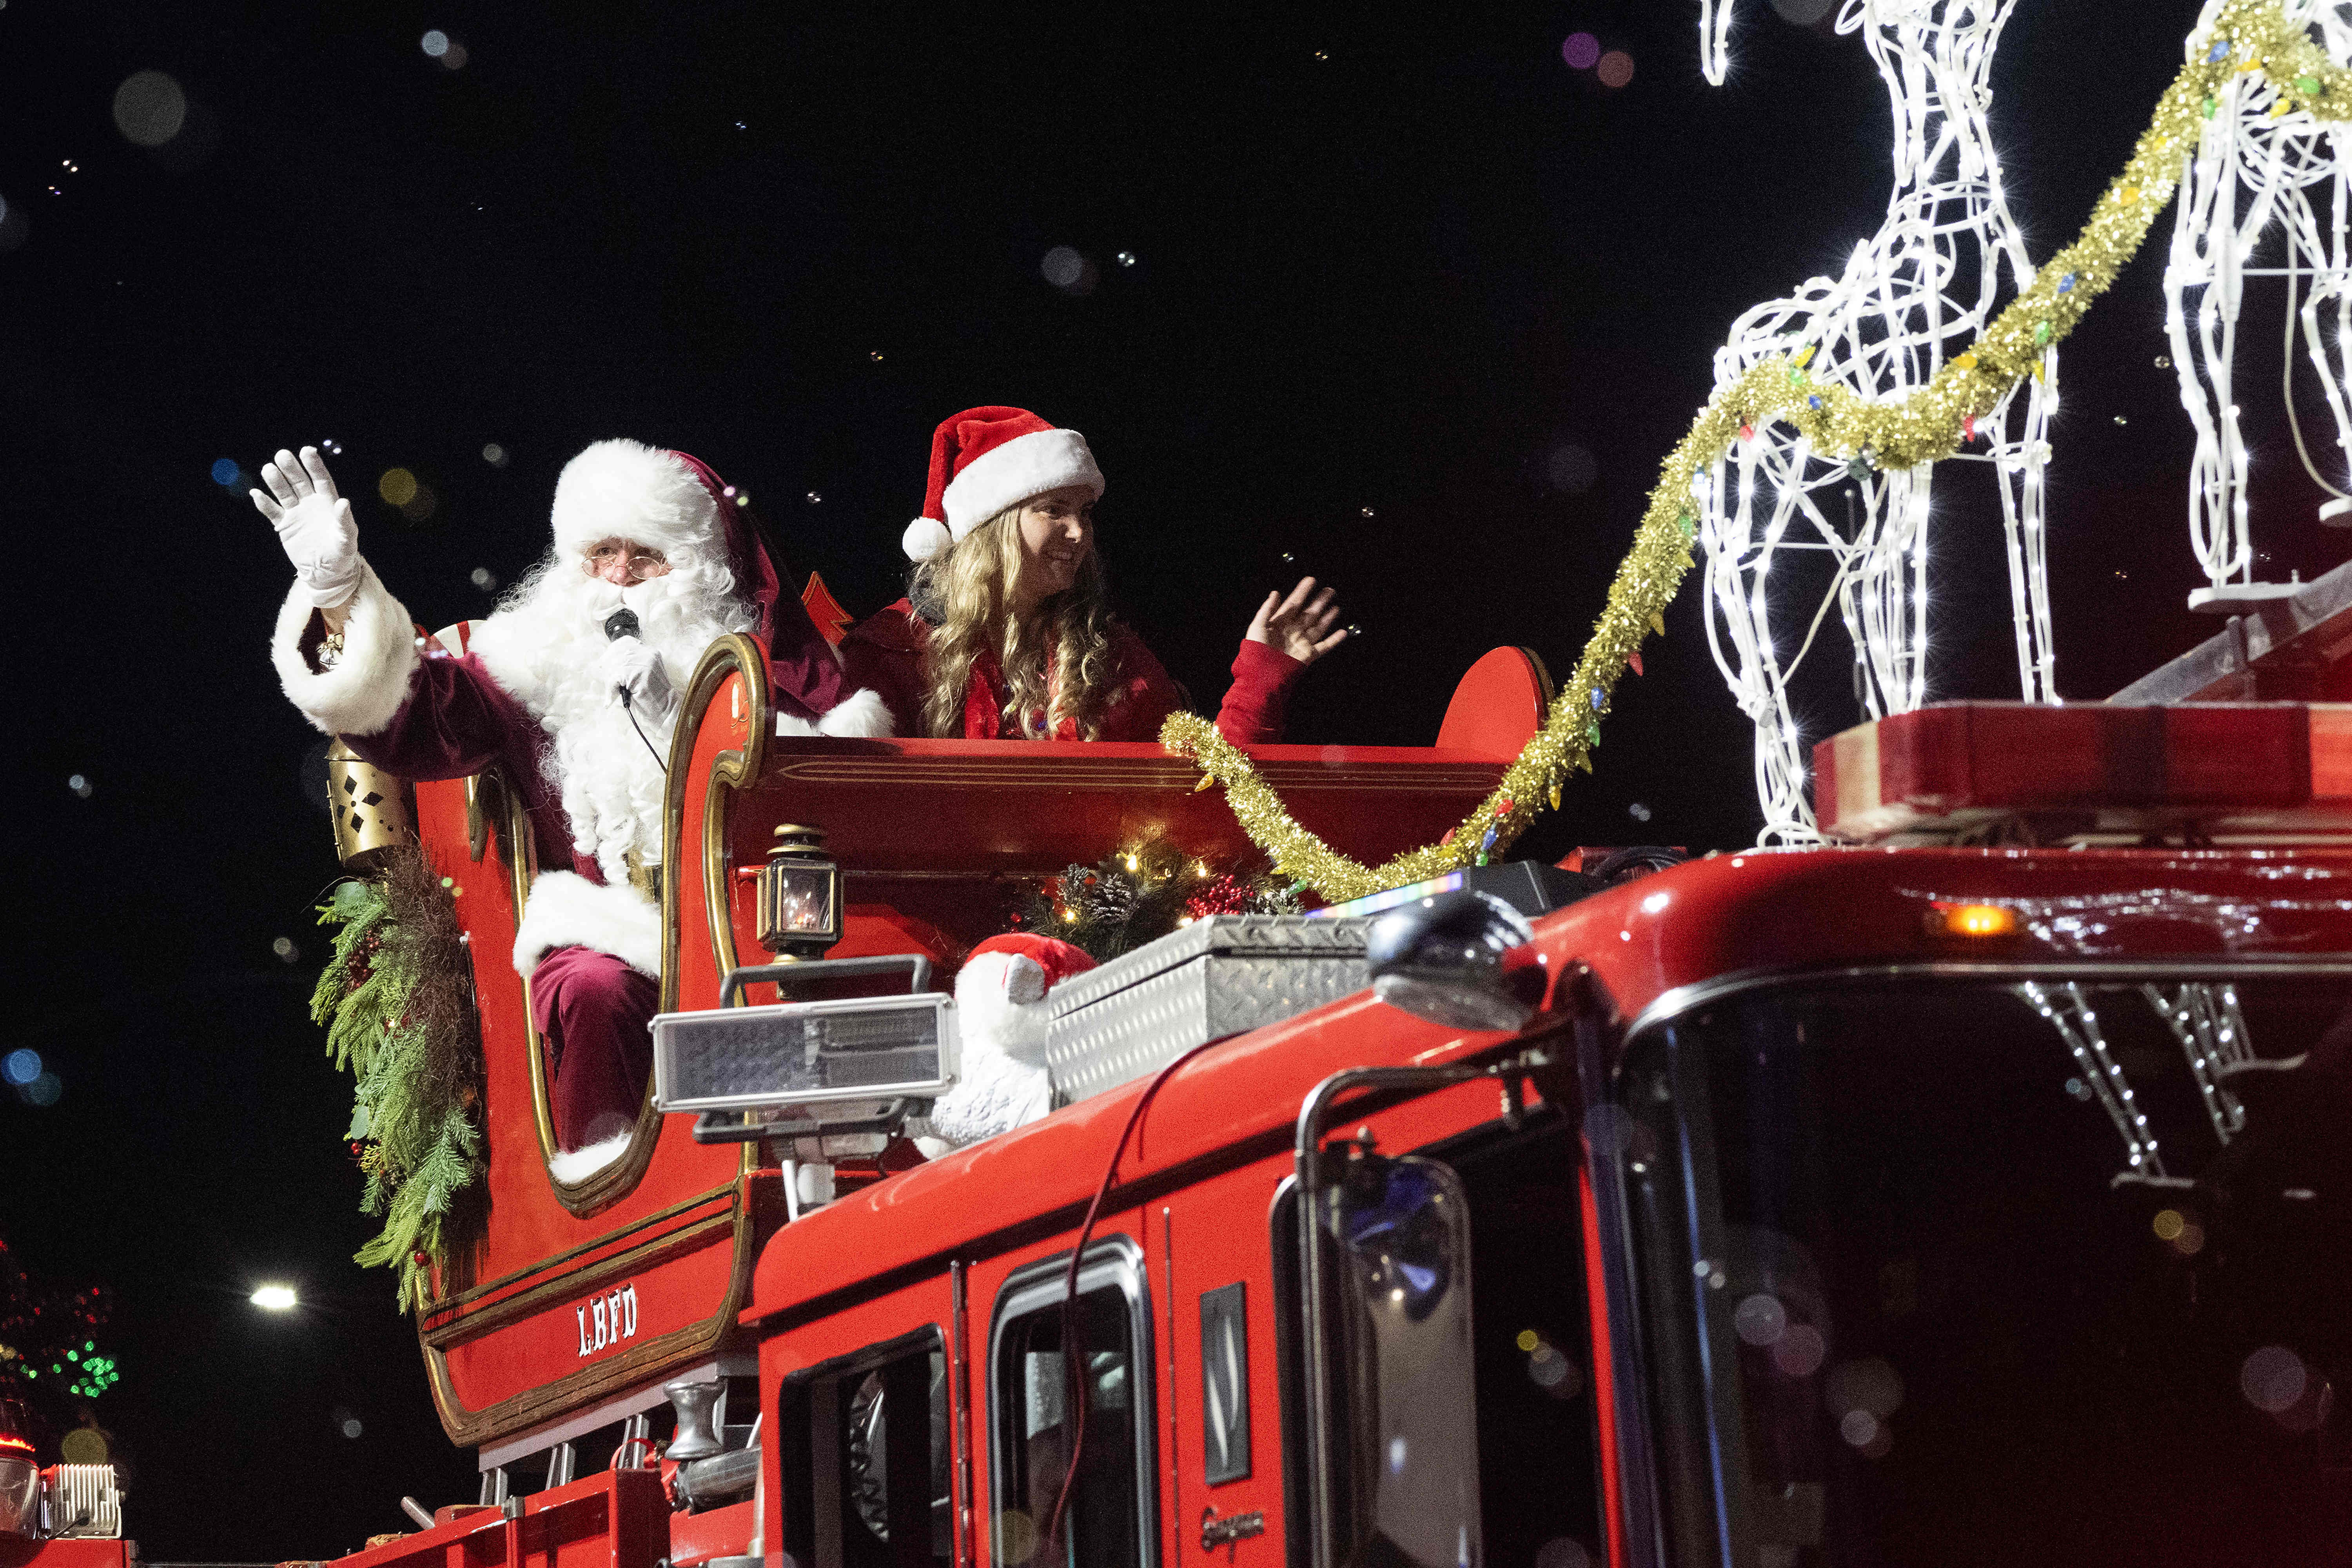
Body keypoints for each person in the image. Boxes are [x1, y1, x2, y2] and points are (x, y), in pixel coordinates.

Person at [261, 440, 891, 1164]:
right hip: (610, 931)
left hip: (758, 929)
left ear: (703, 570)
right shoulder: (534, 659)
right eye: (600, 553)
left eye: (646, 556)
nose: (619, 578)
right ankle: (609, 1174)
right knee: (593, 987)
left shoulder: (773, 681)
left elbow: (826, 802)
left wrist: (687, 717)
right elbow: (413, 719)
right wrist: (339, 592)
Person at [843, 406, 1346, 742]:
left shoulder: (1111, 656)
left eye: (1085, 512)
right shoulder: (891, 649)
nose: (1080, 532)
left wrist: (1259, 682)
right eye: (1054, 509)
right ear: (989, 527)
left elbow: (1198, 801)